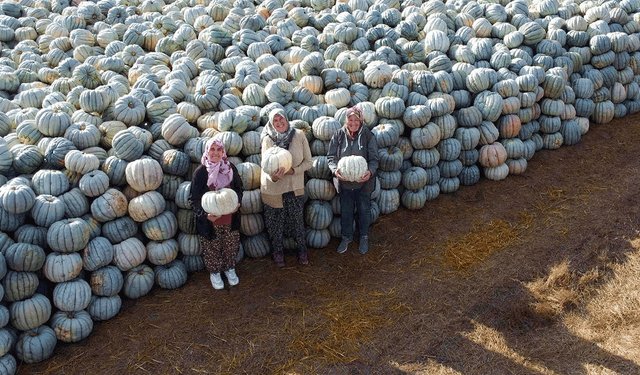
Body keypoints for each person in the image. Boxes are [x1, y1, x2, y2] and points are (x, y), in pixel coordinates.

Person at [261, 108, 313, 267]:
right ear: (271, 123)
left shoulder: (298, 135)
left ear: (286, 118)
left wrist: (293, 171)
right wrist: (273, 176)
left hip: (294, 186)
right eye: (275, 120)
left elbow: (308, 162)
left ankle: (302, 251)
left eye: (281, 119)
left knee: (297, 222)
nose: (279, 123)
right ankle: (278, 253)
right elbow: (266, 165)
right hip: (273, 188)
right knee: (275, 224)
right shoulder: (268, 139)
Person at [189, 138, 243, 290]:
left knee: (230, 246)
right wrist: (205, 215)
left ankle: (229, 269)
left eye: (218, 150)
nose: (215, 153)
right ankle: (215, 272)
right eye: (212, 149)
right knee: (211, 248)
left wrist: (237, 203)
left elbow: (239, 189)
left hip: (230, 218)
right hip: (211, 221)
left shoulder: (230, 168)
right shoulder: (200, 172)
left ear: (223, 152)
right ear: (207, 151)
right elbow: (193, 199)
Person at [327, 106, 379, 255]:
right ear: (346, 120)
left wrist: (370, 172)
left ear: (361, 120)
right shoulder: (338, 135)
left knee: (364, 210)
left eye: (356, 120)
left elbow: (374, 160)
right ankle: (346, 237)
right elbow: (331, 157)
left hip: (364, 183)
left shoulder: (368, 136)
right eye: (350, 120)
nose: (353, 123)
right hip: (344, 183)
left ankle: (364, 237)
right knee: (346, 211)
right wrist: (335, 170)